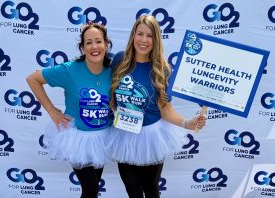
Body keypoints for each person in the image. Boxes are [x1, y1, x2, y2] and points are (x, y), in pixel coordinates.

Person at [107, 15, 206, 198]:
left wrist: (187, 123)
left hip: (151, 137)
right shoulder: (119, 61)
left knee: (151, 189)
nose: (144, 40)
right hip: (124, 134)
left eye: (150, 36)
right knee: (132, 189)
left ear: (156, 40)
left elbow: (166, 110)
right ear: (133, 36)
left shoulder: (162, 69)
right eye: (140, 34)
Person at [26, 22, 113, 198]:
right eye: (88, 43)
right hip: (77, 138)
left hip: (103, 136)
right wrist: (52, 111)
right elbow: (33, 79)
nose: (94, 47)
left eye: (98, 41)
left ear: (106, 45)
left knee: (93, 187)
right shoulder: (69, 70)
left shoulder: (114, 70)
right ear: (82, 48)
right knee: (91, 190)